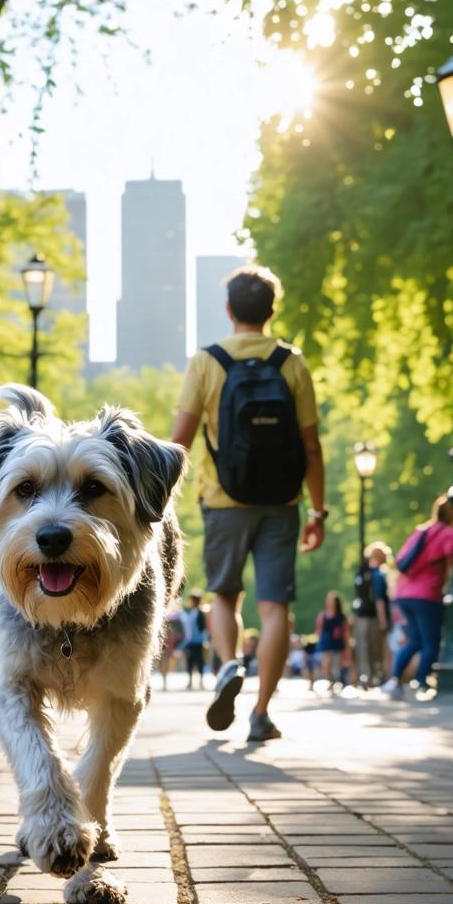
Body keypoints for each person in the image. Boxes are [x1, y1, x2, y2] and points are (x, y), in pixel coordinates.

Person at [172, 264, 326, 741]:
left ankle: (229, 664)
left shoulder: (207, 361)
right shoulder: (292, 362)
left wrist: (156, 501)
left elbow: (180, 442)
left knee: (224, 595)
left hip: (223, 499)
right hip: (282, 500)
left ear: (229, 309)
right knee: (275, 605)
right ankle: (261, 713)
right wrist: (318, 511)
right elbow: (312, 446)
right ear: (272, 310)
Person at [381, 494, 453, 701]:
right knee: (431, 641)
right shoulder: (449, 533)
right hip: (427, 595)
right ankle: (421, 683)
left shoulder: (421, 530)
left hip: (404, 594)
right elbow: (452, 565)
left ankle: (394, 681)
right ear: (451, 512)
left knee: (414, 641)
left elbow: (400, 561)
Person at [353, 542, 391, 687]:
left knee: (363, 648)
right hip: (374, 617)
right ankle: (376, 676)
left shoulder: (360, 572)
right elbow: (379, 599)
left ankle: (366, 677)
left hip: (361, 616)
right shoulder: (378, 574)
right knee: (377, 648)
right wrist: (383, 620)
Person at [315, 591, 349, 688]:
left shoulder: (341, 617)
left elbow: (346, 632)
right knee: (326, 665)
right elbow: (318, 630)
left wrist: (347, 647)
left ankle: (336, 682)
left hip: (338, 644)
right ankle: (330, 682)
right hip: (326, 643)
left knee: (337, 666)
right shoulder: (322, 616)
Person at [179, 592, 209, 690]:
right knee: (190, 662)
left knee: (200, 662)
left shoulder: (200, 613)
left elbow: (204, 627)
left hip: (199, 641)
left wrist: (205, 639)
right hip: (189, 642)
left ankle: (201, 682)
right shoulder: (188, 612)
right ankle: (190, 682)